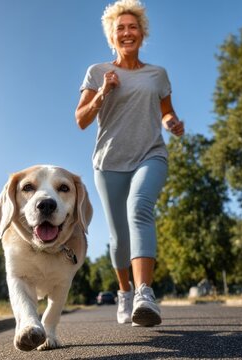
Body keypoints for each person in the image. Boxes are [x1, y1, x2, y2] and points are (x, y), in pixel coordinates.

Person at [74, 0, 184, 327]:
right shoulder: (97, 72)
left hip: (151, 153)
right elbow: (81, 119)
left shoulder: (157, 75)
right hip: (109, 162)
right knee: (119, 237)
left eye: (132, 27)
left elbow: (166, 111)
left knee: (140, 208)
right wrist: (103, 92)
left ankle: (144, 293)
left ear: (142, 33)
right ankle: (124, 291)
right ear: (112, 36)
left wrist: (172, 123)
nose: (127, 32)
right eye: (120, 28)